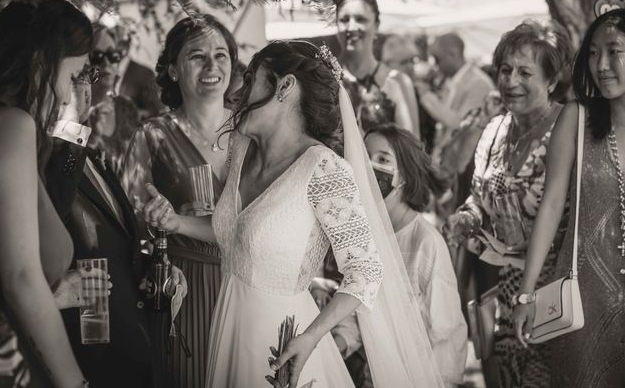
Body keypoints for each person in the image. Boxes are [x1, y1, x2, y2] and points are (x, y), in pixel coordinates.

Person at [141, 40, 444, 388]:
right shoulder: (241, 151)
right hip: (228, 327)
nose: (237, 90)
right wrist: (176, 222)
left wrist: (312, 337)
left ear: (285, 86)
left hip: (283, 343)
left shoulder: (324, 169)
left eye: (252, 77)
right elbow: (236, 232)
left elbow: (366, 271)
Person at [444, 20, 573, 387]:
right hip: (495, 287)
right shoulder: (496, 128)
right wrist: (466, 217)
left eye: (524, 72)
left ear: (551, 80)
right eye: (505, 70)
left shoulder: (566, 128)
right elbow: (479, 197)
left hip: (549, 289)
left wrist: (528, 291)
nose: (510, 80)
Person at [45, 68, 187, 388]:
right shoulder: (43, 157)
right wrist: (71, 123)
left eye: (88, 77)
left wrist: (155, 270)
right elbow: (57, 200)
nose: (88, 87)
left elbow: (118, 244)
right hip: (88, 351)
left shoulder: (92, 153)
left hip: (130, 340)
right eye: (80, 75)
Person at [122, 14, 237, 388]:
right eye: (197, 56)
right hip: (184, 292)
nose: (212, 66)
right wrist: (155, 234)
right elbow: (128, 228)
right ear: (172, 69)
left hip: (247, 284)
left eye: (221, 55)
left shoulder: (252, 133)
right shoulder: (151, 137)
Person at [0, 0, 95, 388]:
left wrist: (55, 295)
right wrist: (75, 382)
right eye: (71, 76)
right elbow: (20, 278)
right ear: (40, 62)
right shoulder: (11, 125)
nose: (68, 96)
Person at [513, 9, 625, 387]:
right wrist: (526, 295)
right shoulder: (576, 119)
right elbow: (550, 205)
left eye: (614, 51)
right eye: (593, 53)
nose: (602, 65)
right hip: (584, 298)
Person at [364, 124, 467, 387]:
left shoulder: (426, 241)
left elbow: (445, 327)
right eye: (364, 155)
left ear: (405, 175)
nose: (369, 166)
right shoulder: (364, 234)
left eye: (383, 160)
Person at [335, 0, 419, 133]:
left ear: (376, 25)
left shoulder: (399, 81)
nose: (351, 27)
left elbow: (412, 150)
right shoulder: (325, 79)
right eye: (344, 20)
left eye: (360, 19)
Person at [418, 32, 495, 162]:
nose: (435, 65)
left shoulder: (479, 83)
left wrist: (426, 96)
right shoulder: (451, 80)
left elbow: (460, 123)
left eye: (438, 59)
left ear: (452, 54)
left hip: (462, 164)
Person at [88, 26, 140, 174]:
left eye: (112, 55)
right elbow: (67, 166)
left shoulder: (128, 110)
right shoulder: (71, 111)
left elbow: (136, 171)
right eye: (97, 56)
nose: (106, 63)